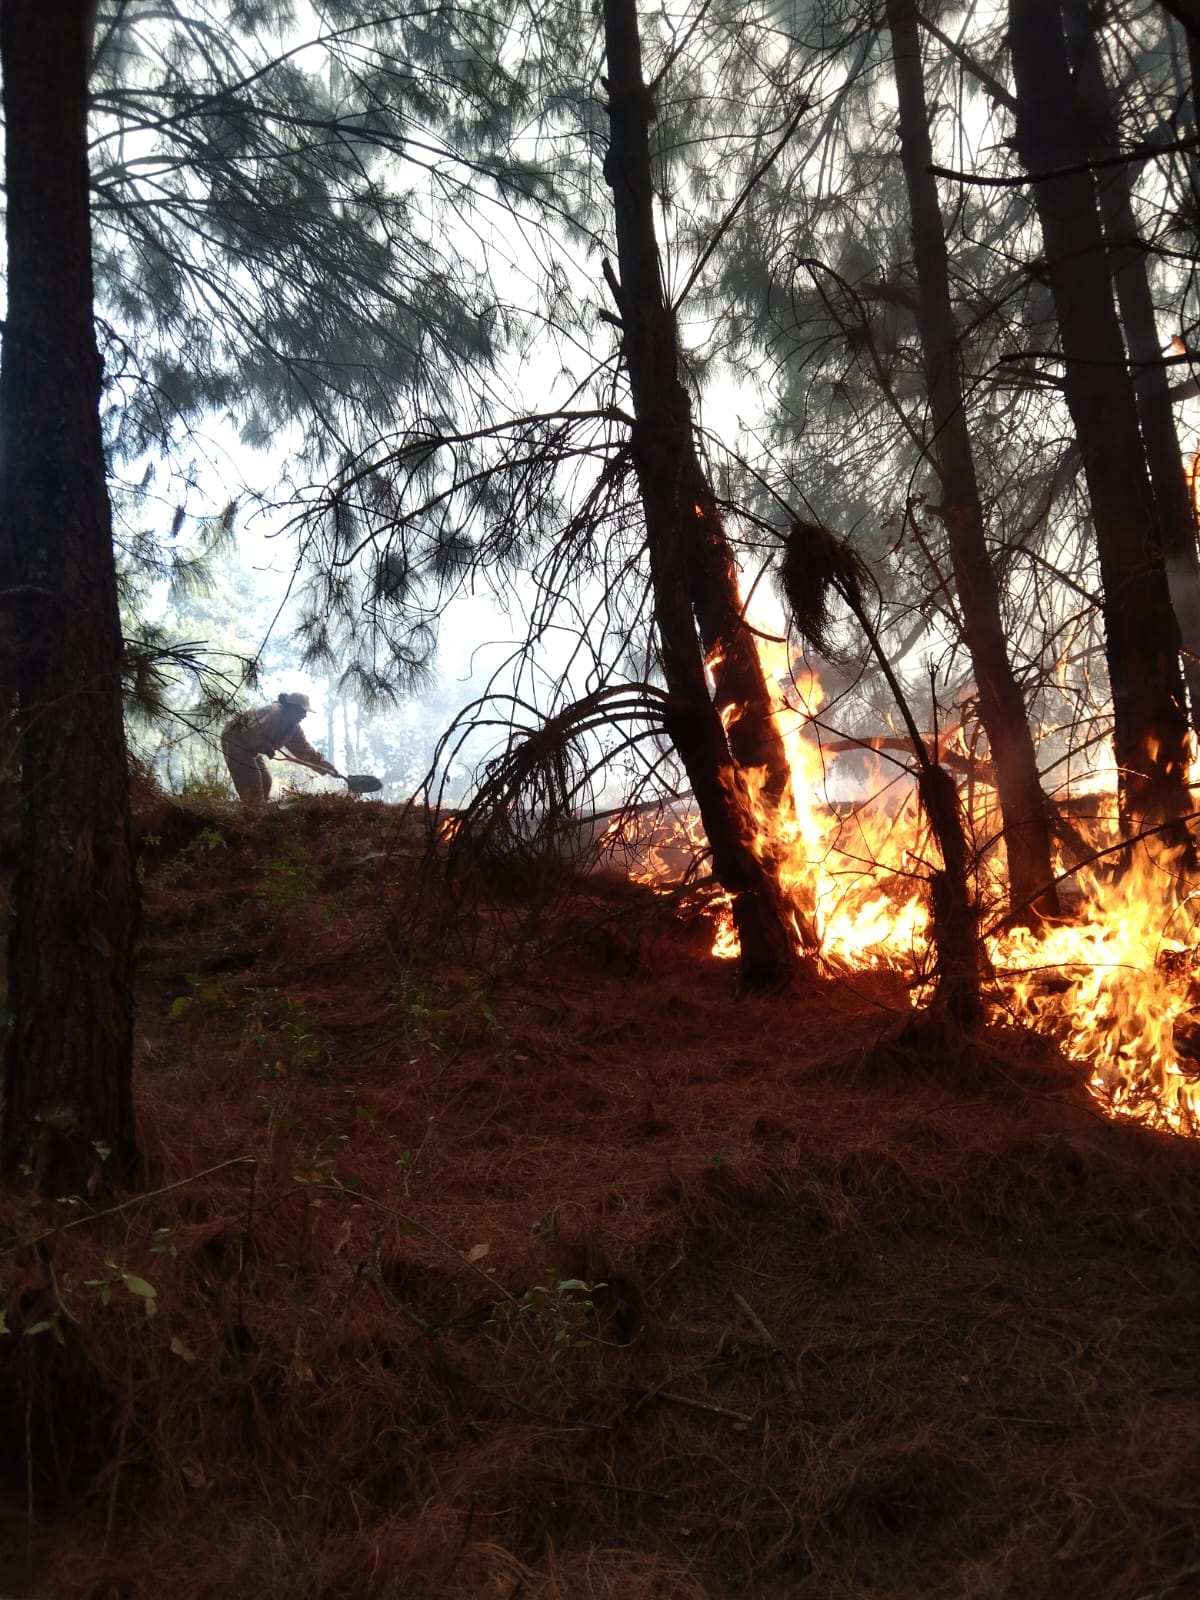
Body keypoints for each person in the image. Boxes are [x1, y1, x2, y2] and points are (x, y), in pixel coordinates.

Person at [221, 692, 340, 804]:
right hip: (235, 738)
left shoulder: (293, 728)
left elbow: (304, 750)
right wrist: (265, 745)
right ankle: (253, 814)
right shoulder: (274, 713)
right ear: (293, 708)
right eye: (302, 711)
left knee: (266, 782)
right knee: (251, 782)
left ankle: (257, 812)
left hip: (251, 748)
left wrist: (325, 767)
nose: (305, 716)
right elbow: (251, 731)